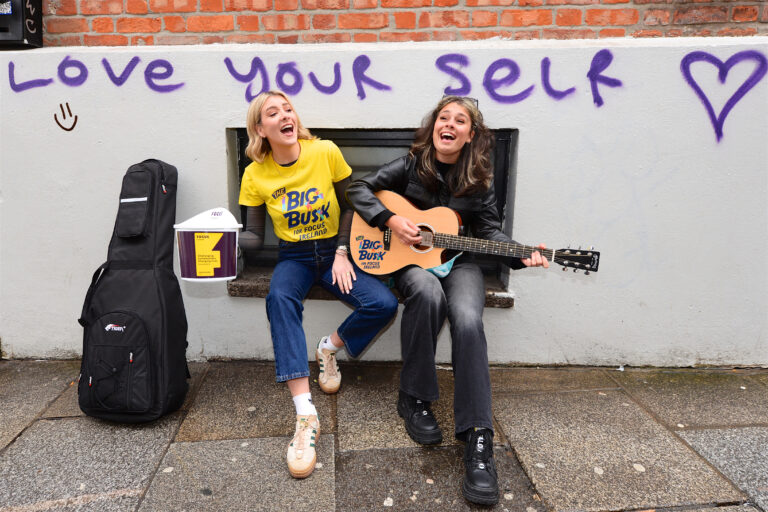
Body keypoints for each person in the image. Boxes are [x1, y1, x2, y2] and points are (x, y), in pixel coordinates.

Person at [346, 96, 549, 505]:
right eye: (444, 117)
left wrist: (520, 254)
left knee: (468, 320)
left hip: (461, 262)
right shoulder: (409, 164)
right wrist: (391, 220)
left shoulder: (480, 179)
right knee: (424, 291)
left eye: (460, 121)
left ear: (470, 135)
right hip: (412, 262)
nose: (450, 124)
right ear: (434, 125)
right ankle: (414, 397)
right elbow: (358, 187)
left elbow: (489, 233)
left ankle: (478, 439)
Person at [238, 90, 398, 479]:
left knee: (383, 304)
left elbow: (351, 203)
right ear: (260, 129)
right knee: (279, 298)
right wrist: (217, 241)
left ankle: (329, 348)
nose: (284, 116)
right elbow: (255, 238)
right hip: (293, 256)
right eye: (272, 113)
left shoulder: (324, 151)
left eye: (288, 109)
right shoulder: (254, 174)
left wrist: (342, 250)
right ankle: (306, 416)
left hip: (333, 252)